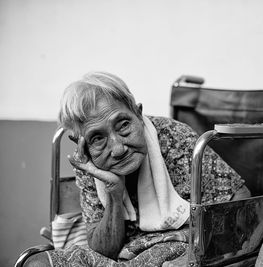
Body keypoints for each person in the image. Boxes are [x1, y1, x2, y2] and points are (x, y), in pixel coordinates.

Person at [25, 72, 250, 267]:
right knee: (36, 263)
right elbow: (103, 252)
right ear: (80, 142)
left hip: (181, 251)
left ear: (138, 113)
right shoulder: (88, 163)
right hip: (122, 259)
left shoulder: (177, 139)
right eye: (97, 138)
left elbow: (240, 201)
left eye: (123, 125)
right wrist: (113, 192)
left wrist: (199, 252)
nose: (118, 148)